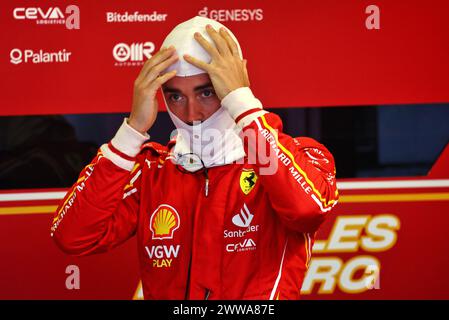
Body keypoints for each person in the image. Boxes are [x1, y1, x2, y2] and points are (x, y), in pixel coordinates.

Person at [50, 16, 339, 300]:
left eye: (207, 92)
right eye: (175, 97)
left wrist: (243, 105)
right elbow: (73, 236)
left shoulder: (299, 157)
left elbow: (307, 211)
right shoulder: (154, 171)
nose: (191, 114)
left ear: (236, 84)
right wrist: (132, 131)